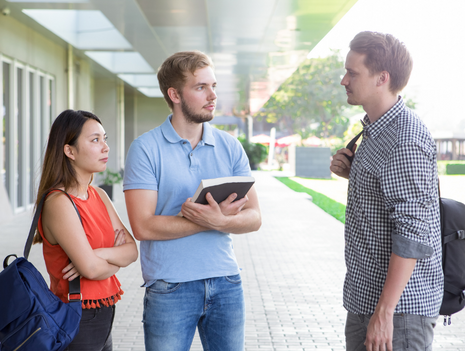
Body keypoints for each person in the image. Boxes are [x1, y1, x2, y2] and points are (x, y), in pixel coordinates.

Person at [123, 51, 262, 351]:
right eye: (201, 87)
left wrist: (221, 221)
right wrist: (211, 221)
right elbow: (143, 226)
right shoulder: (145, 149)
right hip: (169, 287)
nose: (212, 95)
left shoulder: (230, 146)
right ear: (174, 94)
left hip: (226, 282)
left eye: (213, 86)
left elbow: (254, 217)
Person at [330, 31, 443, 351]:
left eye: (353, 73)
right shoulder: (376, 130)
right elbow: (392, 198)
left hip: (398, 315)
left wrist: (385, 312)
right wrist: (355, 174)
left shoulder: (404, 138)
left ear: (382, 78)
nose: (344, 80)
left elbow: (413, 233)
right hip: (368, 301)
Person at [33, 109, 138, 351]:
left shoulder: (99, 195)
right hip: (77, 317)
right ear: (69, 151)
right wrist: (111, 255)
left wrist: (98, 254)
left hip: (104, 314)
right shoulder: (58, 202)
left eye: (105, 139)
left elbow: (132, 251)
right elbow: (90, 269)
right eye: (95, 140)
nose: (105, 147)